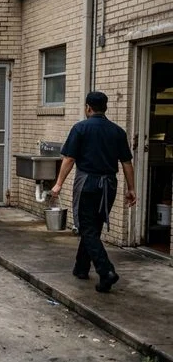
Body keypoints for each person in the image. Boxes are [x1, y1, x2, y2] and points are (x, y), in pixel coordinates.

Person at [50, 91, 136, 293]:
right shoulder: (117, 131)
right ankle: (81, 267)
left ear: (88, 107)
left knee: (87, 227)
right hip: (109, 184)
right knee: (93, 227)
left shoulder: (81, 128)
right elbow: (126, 163)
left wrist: (58, 184)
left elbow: (69, 159)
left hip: (88, 182)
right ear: (105, 108)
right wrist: (131, 188)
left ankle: (106, 271)